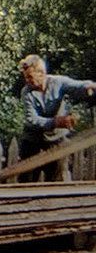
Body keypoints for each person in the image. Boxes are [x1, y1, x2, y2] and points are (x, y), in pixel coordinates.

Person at [18, 54, 96, 182]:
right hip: (33, 141)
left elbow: (78, 85)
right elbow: (31, 120)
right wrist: (57, 122)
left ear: (42, 73)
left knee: (57, 179)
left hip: (56, 139)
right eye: (25, 77)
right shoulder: (26, 92)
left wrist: (90, 86)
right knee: (26, 180)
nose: (27, 80)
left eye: (30, 77)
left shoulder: (58, 82)